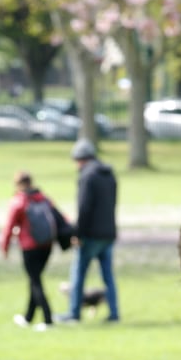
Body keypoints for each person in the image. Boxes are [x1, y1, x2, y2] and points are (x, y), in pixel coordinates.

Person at [58, 137, 120, 323]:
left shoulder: (87, 176)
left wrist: (77, 233)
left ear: (81, 159)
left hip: (91, 235)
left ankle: (74, 313)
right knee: (108, 276)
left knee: (78, 274)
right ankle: (114, 313)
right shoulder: (109, 174)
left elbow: (84, 209)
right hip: (109, 233)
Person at [0, 171, 56, 331]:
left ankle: (48, 319)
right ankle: (28, 317)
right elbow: (57, 217)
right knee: (34, 279)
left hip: (29, 246)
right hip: (47, 246)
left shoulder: (19, 201)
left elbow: (9, 226)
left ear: (18, 185)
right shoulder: (43, 198)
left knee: (35, 282)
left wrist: (5, 247)